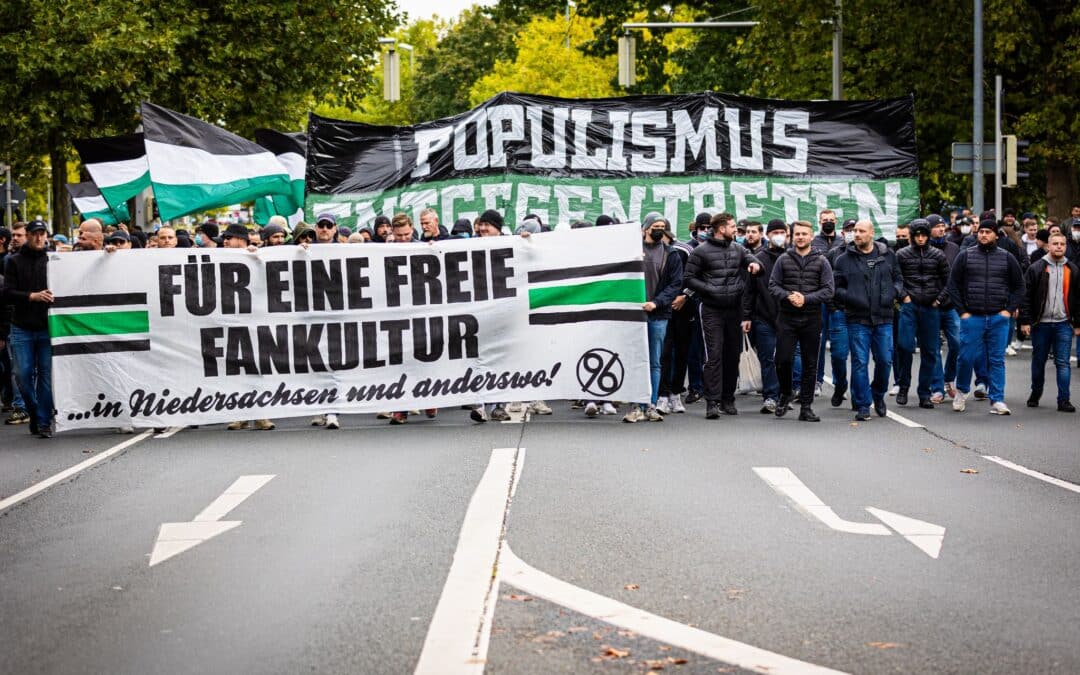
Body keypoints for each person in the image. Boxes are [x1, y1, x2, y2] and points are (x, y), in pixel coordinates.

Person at [947, 219, 1026, 415]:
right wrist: (962, 312)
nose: (983, 235)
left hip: (998, 317)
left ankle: (997, 399)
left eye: (988, 232)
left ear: (996, 236)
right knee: (965, 357)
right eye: (981, 231)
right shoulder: (965, 256)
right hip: (972, 317)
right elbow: (953, 285)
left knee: (997, 360)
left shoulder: (1007, 257)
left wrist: (1008, 310)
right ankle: (962, 391)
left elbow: (1020, 287)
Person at [834, 220, 904, 421]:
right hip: (857, 319)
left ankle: (878, 394)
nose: (856, 234)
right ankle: (863, 404)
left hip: (884, 317)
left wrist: (894, 293)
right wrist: (852, 297)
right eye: (855, 231)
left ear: (871, 233)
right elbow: (836, 288)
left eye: (861, 231)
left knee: (885, 360)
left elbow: (899, 279)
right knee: (859, 362)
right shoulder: (843, 260)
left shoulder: (887, 255)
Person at [769, 220, 834, 422]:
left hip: (811, 318)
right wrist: (788, 295)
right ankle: (785, 393)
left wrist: (806, 298)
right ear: (792, 236)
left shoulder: (822, 261)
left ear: (811, 236)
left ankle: (806, 406)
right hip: (787, 318)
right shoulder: (783, 259)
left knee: (810, 363)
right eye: (797, 234)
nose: (800, 237)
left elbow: (828, 290)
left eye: (804, 234)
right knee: (782, 360)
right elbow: (773, 285)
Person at [625, 213, 683, 423]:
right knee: (634, 359)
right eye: (655, 226)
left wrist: (656, 302)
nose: (659, 229)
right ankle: (634, 404)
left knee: (654, 361)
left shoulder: (672, 254)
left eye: (662, 226)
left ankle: (649, 403)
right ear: (645, 228)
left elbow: (675, 284)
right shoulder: (631, 251)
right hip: (634, 314)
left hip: (658, 314)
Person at [2, 219, 54, 437]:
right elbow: (7, 293)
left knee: (44, 375)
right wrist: (31, 296)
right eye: (35, 233)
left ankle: (43, 421)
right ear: (29, 235)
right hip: (22, 326)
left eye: (43, 233)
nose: (39, 237)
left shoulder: (55, 259)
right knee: (22, 375)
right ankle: (33, 409)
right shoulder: (13, 261)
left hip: (47, 327)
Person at [1019, 232, 1079, 411]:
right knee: (1039, 361)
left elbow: (1078, 299)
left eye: (1062, 244)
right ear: (1048, 246)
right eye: (1055, 244)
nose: (1059, 247)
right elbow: (1026, 296)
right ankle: (1036, 392)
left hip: (1064, 324)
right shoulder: (1036, 268)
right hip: (1041, 324)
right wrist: (1025, 321)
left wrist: (1077, 324)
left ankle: (1064, 400)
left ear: (1066, 247)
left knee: (1063, 362)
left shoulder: (1073, 270)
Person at [895, 219, 950, 408]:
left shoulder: (938, 255)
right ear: (912, 236)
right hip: (909, 307)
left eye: (923, 235)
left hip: (930, 307)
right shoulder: (901, 254)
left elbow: (948, 281)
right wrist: (904, 296)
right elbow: (896, 279)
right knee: (904, 347)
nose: (920, 238)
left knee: (930, 351)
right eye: (917, 235)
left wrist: (939, 299)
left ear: (927, 235)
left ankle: (924, 393)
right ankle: (903, 386)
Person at [748, 219, 789, 413]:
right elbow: (749, 290)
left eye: (782, 232)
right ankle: (771, 396)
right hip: (763, 316)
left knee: (785, 358)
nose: (779, 235)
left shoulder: (792, 257)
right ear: (768, 235)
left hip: (789, 317)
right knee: (767, 358)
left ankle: (785, 394)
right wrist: (746, 316)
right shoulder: (757, 258)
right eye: (775, 232)